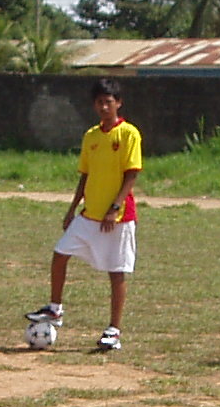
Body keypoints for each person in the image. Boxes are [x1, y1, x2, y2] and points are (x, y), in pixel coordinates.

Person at [31, 79, 141, 353]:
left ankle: (113, 331)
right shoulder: (91, 136)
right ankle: (55, 309)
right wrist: (71, 209)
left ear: (118, 103)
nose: (104, 107)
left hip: (117, 217)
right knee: (60, 254)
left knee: (117, 273)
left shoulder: (128, 134)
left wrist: (114, 207)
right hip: (89, 214)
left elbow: (132, 174)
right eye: (99, 102)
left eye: (109, 101)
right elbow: (85, 176)